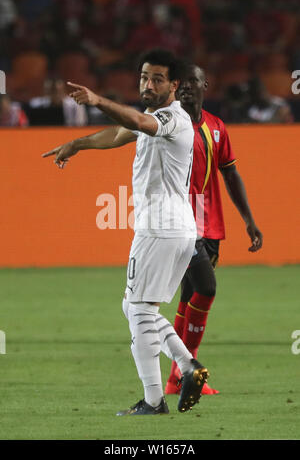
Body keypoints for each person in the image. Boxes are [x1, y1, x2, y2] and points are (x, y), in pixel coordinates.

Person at [42, 49, 209, 415]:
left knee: (137, 308)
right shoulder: (151, 116)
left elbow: (135, 121)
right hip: (172, 227)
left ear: (174, 85)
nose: (148, 84)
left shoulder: (173, 119)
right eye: (144, 77)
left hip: (161, 227)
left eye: (157, 79)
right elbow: (122, 131)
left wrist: (98, 99)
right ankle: (188, 367)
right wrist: (78, 144)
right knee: (137, 307)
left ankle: (154, 400)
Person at [165, 64, 263, 396]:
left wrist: (248, 219)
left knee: (189, 297)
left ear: (205, 84)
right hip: (178, 225)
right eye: (180, 82)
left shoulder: (216, 127)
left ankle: (175, 377)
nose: (186, 87)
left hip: (210, 226)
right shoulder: (167, 124)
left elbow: (231, 175)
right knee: (206, 289)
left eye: (193, 81)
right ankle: (188, 371)